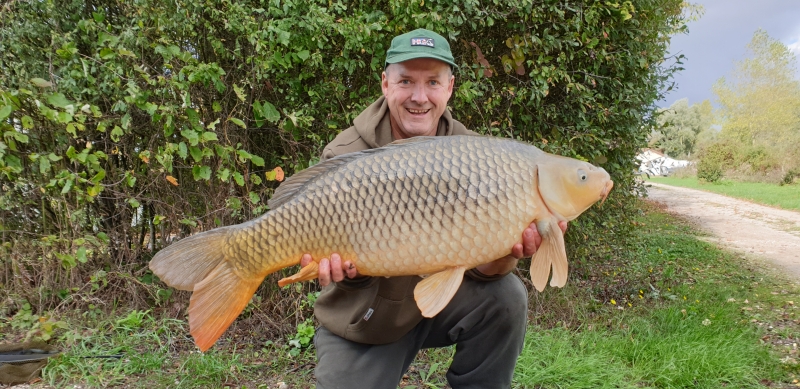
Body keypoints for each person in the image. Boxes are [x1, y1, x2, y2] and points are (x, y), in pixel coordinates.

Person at [299, 29, 567, 389]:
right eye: (406, 81)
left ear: (450, 87)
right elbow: (348, 273)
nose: (419, 97)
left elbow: (484, 272)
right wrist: (346, 268)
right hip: (366, 318)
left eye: (433, 83)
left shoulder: (477, 157)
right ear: (386, 83)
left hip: (442, 304)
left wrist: (508, 253)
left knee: (507, 295)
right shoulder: (346, 154)